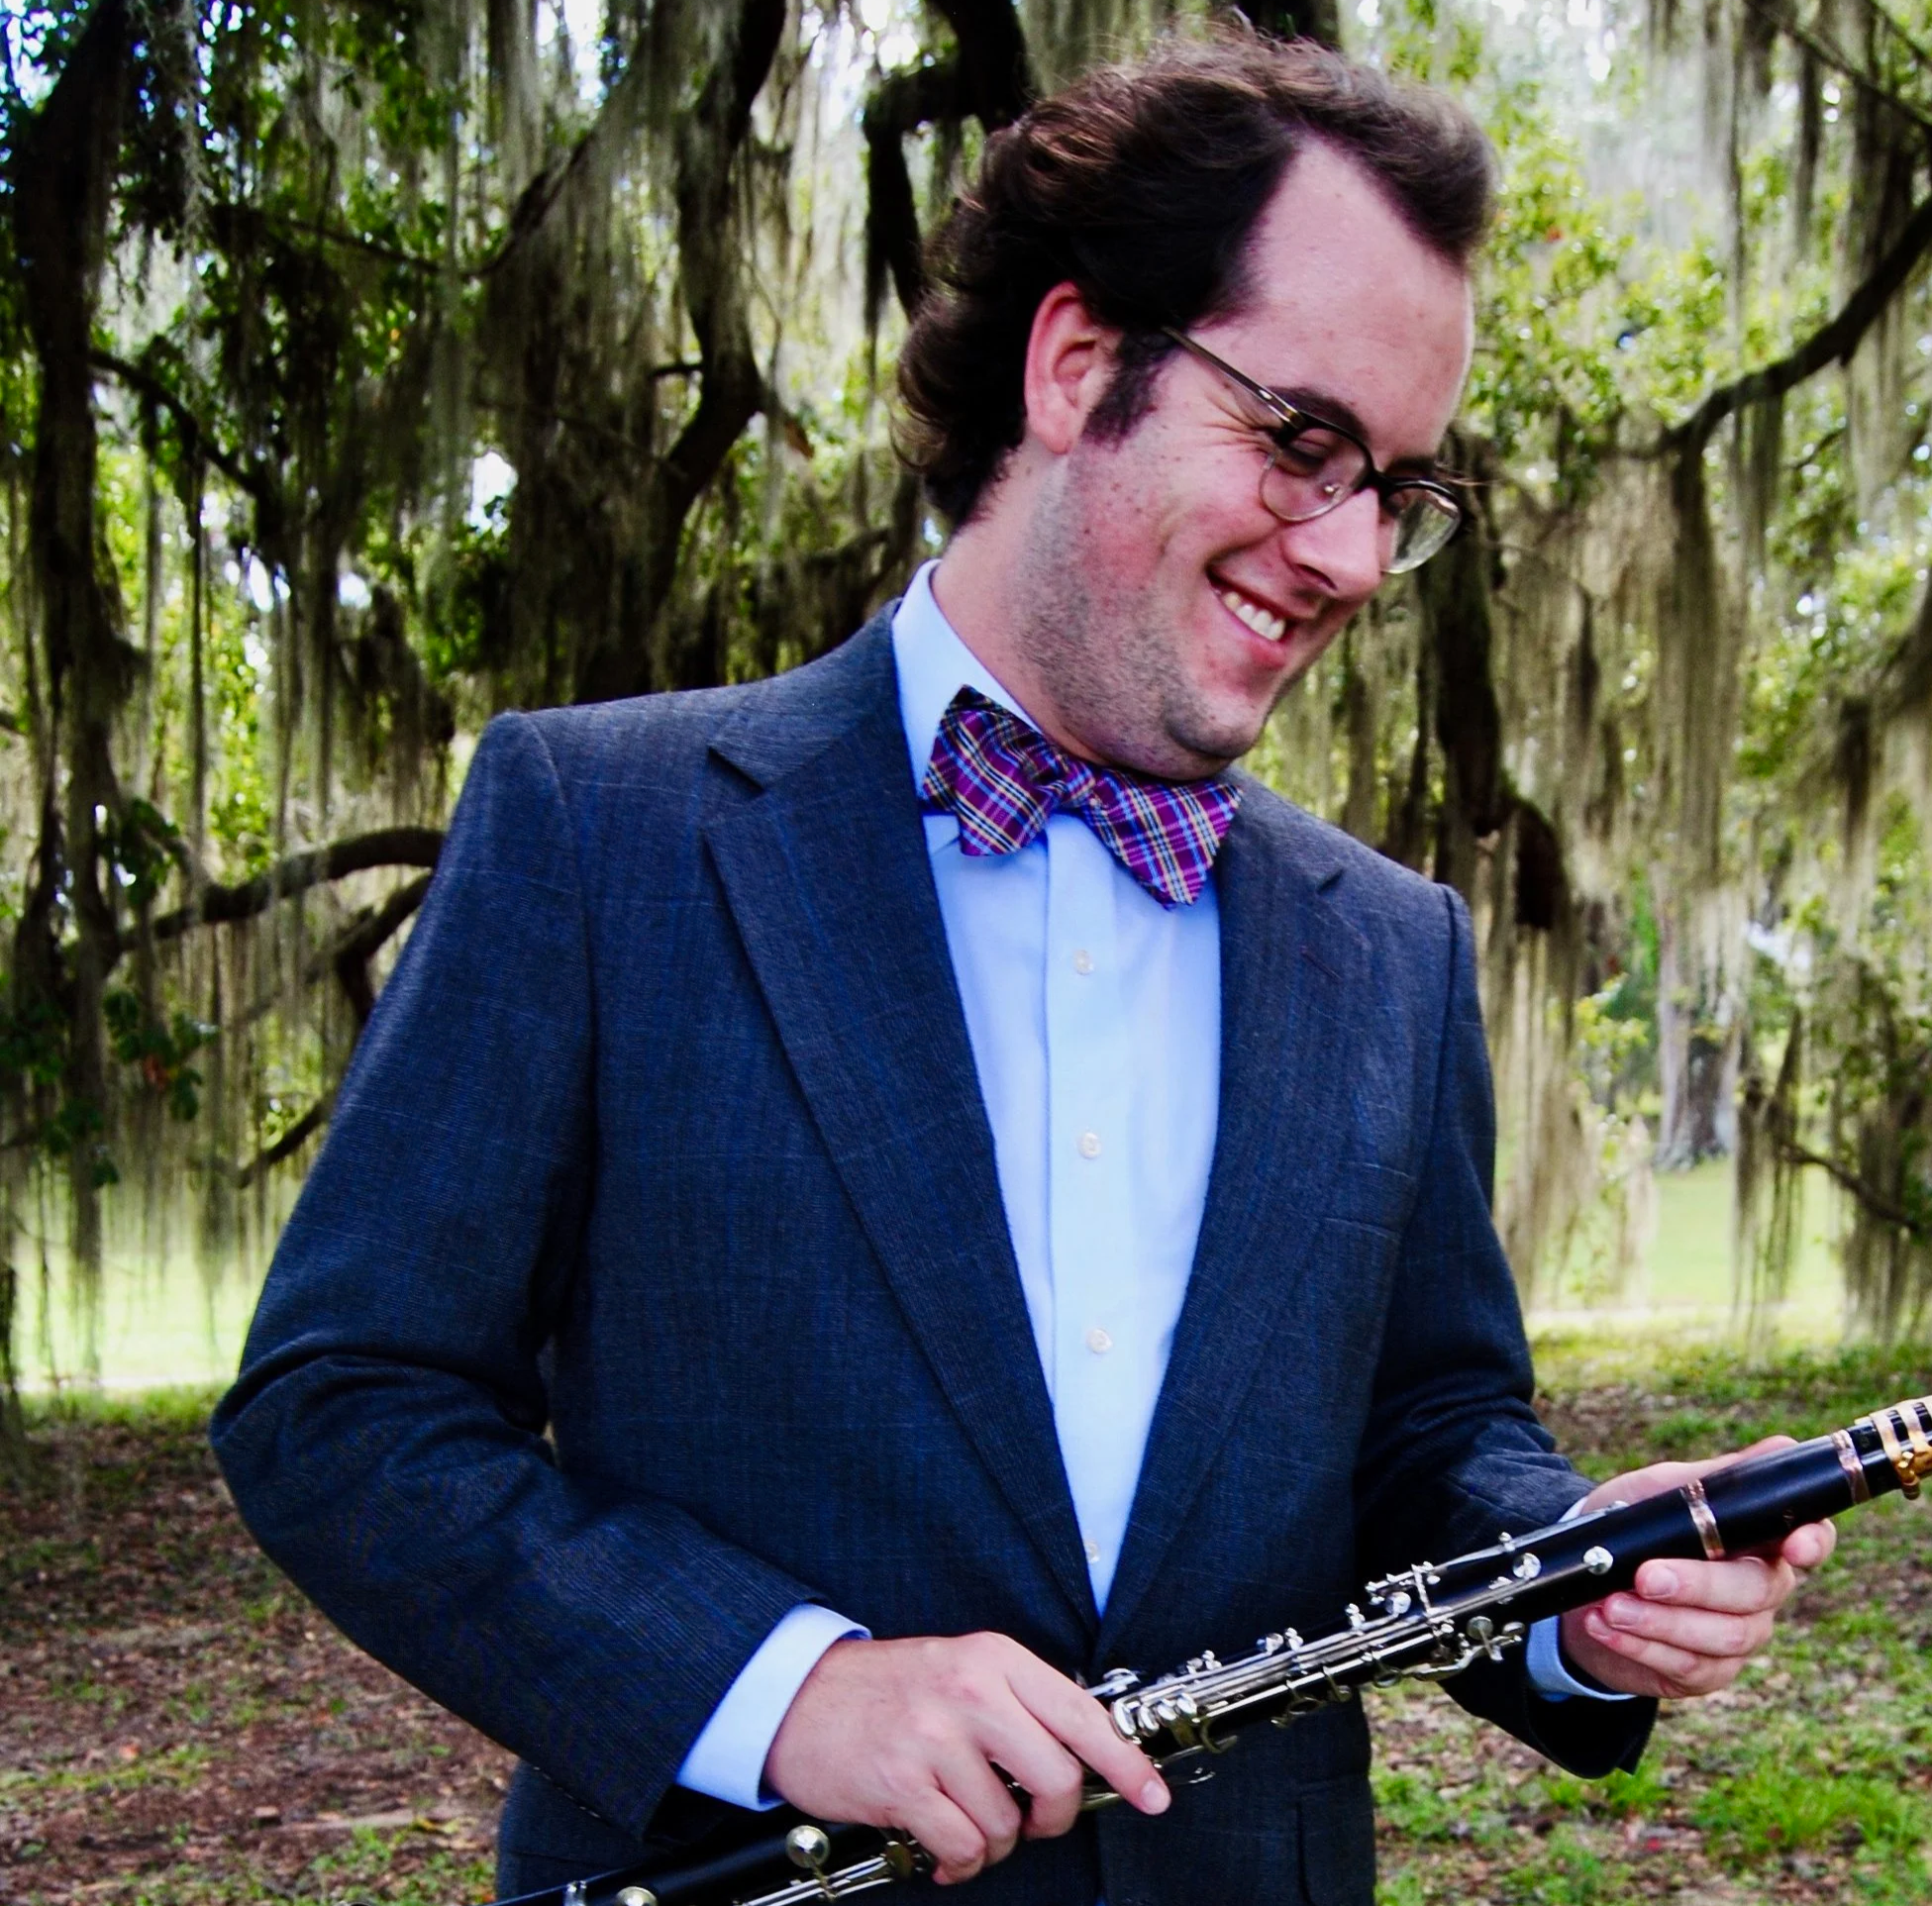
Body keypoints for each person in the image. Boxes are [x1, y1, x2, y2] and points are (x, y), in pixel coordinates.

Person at [210, 33, 1834, 1906]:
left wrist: (1570, 1579)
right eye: (1301, 441)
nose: (1347, 555)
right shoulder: (603, 829)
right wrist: (786, 1690)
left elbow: (1424, 1431)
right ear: (1075, 367)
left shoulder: (1390, 945)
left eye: (1396, 488)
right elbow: (345, 1404)